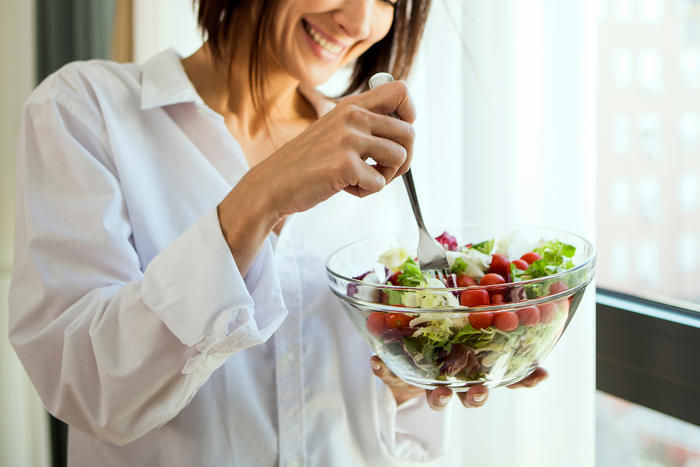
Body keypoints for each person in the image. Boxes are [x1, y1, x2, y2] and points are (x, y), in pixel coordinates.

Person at [9, 0, 548, 465]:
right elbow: (86, 385)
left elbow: (377, 428)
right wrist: (260, 198)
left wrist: (414, 376)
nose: (360, 20)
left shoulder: (369, 154)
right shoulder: (84, 109)